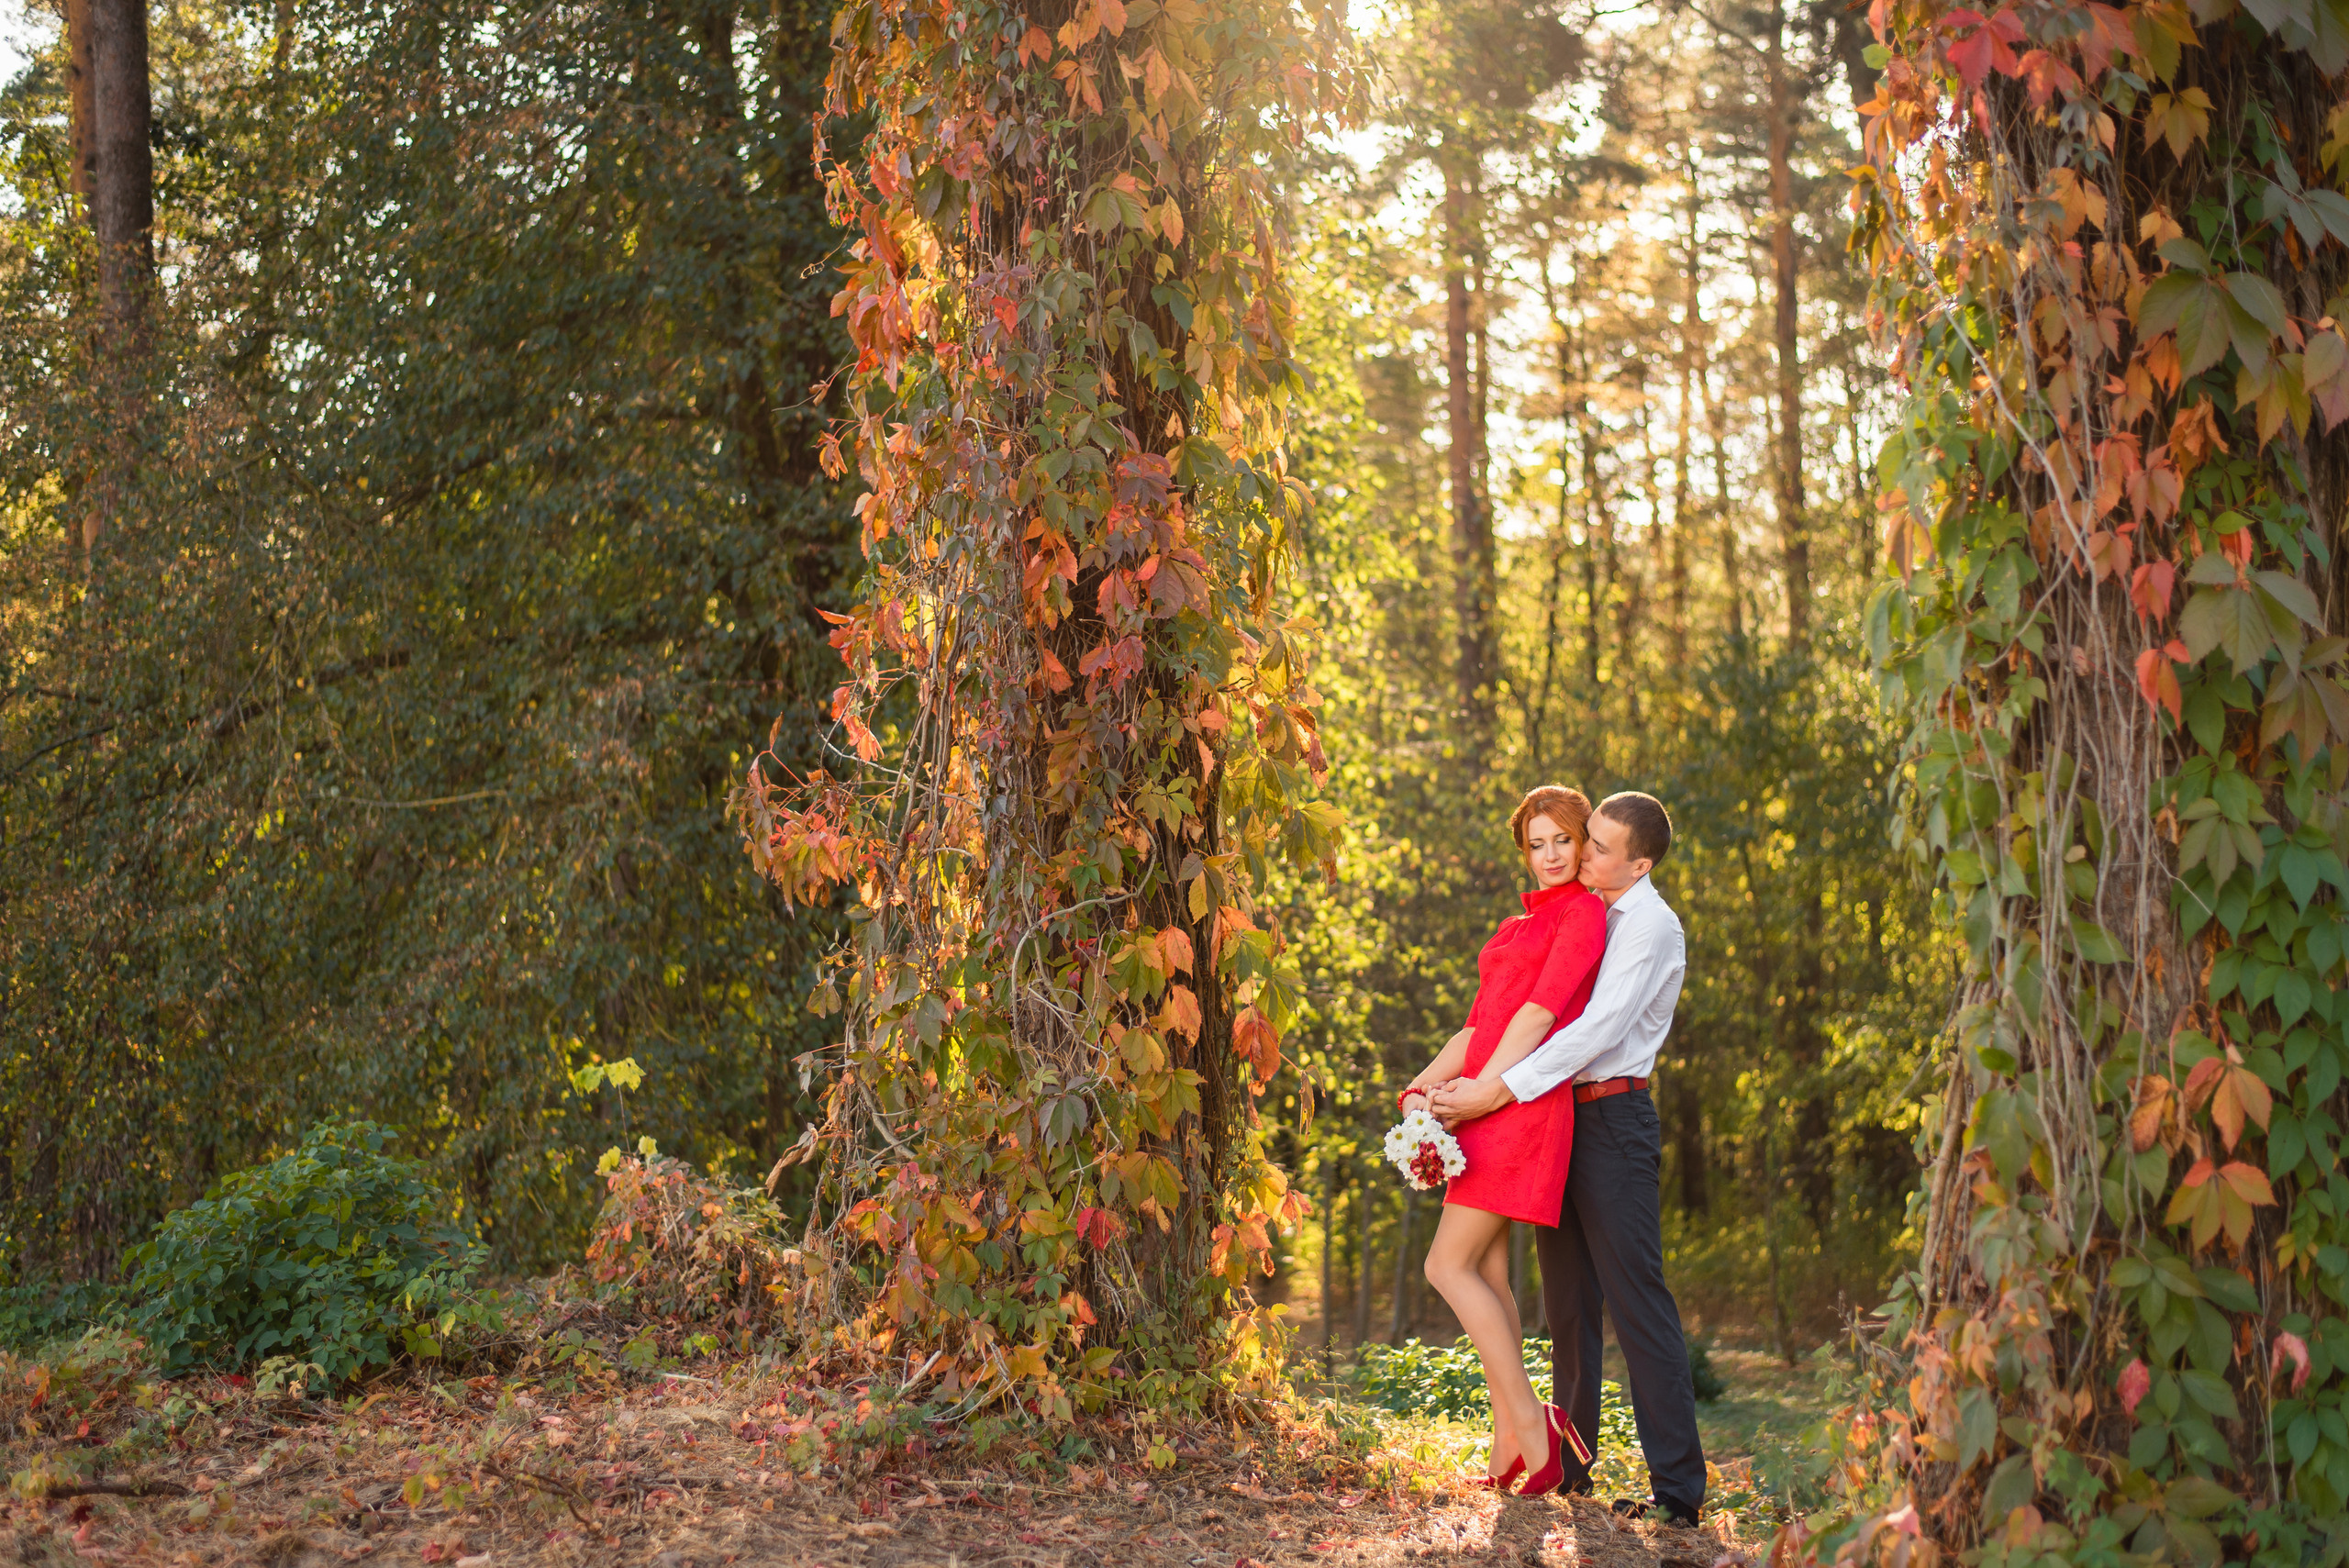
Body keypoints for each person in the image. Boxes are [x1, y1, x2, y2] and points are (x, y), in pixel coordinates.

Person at [1429, 791, 1703, 1528]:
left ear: (1639, 864)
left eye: (1598, 846)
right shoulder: (1590, 909)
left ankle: (1678, 1490)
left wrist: (1496, 1089)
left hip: (1613, 1117)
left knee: (1637, 1298)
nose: (1582, 853)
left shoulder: (1649, 924)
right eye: (1589, 839)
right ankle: (1570, 1464)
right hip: (1559, 1117)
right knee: (1568, 1303)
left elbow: (1594, 1029)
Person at [1397, 785, 1606, 1496]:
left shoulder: (1582, 914)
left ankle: (1533, 1423)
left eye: (1563, 840)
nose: (1551, 855)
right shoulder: (1515, 925)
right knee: (1484, 1272)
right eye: (1537, 843)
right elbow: (1477, 1025)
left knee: (1445, 1264)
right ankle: (1507, 1441)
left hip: (1520, 1106)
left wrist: (1479, 1090)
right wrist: (1423, 1088)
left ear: (1584, 842)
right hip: (1480, 1104)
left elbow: (1538, 1018)